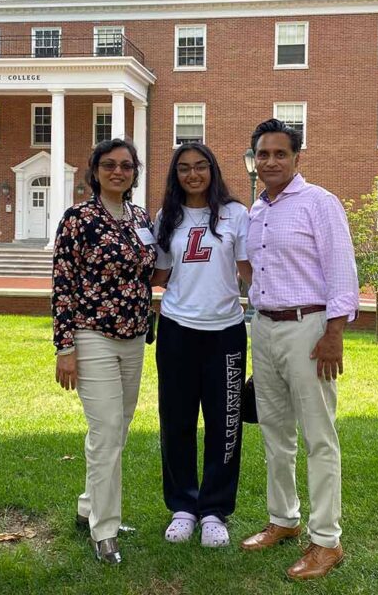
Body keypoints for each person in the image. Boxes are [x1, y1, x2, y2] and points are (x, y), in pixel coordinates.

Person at [240, 119, 359, 581]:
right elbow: (254, 270)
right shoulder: (256, 212)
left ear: (296, 158)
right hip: (264, 329)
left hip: (309, 329)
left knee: (318, 437)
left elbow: (342, 272)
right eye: (262, 155)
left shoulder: (319, 203)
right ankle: (283, 520)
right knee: (274, 432)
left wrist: (333, 334)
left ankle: (326, 540)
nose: (270, 161)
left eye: (279, 154)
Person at [51, 137, 157, 565]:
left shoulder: (140, 217)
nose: (119, 171)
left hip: (133, 336)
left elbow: (152, 271)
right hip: (91, 333)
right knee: (107, 428)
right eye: (110, 165)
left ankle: (87, 505)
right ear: (94, 171)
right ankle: (104, 530)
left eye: (127, 166)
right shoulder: (78, 218)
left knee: (117, 429)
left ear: (135, 172)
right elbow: (63, 283)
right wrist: (64, 347)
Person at [151, 143, 252, 548]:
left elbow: (249, 272)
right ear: (176, 175)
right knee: (176, 421)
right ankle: (182, 506)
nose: (193, 175)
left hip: (225, 331)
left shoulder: (236, 214)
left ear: (213, 169)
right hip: (176, 328)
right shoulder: (166, 217)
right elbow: (158, 274)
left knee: (224, 423)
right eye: (184, 169)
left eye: (200, 167)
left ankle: (214, 510)